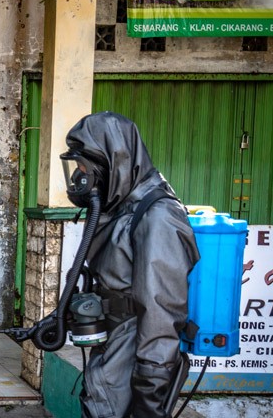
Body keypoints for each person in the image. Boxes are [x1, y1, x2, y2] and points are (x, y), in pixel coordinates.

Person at [61, 112, 200, 417]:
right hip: (114, 353)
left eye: (83, 167)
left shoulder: (158, 216)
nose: (78, 177)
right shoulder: (120, 207)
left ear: (112, 163)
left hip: (132, 359)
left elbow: (161, 310)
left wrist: (151, 388)